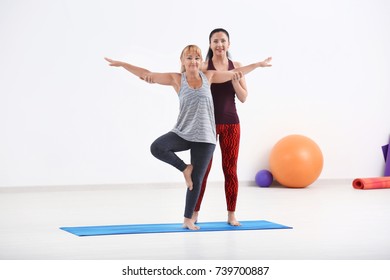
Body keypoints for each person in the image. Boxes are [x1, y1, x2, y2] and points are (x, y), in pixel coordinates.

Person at [105, 45, 271, 230]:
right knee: (157, 147)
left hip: (206, 137)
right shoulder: (176, 79)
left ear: (201, 62)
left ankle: (187, 219)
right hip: (183, 132)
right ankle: (185, 168)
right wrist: (123, 64)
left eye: (197, 58)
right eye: (189, 58)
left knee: (197, 180)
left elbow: (236, 72)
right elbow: (146, 73)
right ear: (183, 61)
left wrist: (258, 64)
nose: (193, 61)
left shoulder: (209, 76)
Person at [193, 28, 262, 226]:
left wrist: (234, 79)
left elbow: (243, 97)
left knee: (230, 170)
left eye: (223, 41)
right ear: (210, 44)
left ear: (228, 44)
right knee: (202, 171)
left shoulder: (237, 67)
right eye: (215, 41)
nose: (219, 44)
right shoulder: (204, 66)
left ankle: (231, 214)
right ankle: (194, 212)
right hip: (208, 125)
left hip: (232, 124)